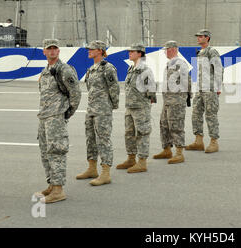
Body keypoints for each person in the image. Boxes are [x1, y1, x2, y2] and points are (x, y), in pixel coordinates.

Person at [35, 39, 81, 203]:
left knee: (56, 151)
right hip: (44, 116)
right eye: (49, 49)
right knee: (45, 152)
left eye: (55, 48)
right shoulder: (46, 70)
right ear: (44, 52)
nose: (52, 51)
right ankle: (52, 184)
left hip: (56, 117)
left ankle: (59, 190)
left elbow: (75, 93)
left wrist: (67, 113)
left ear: (58, 51)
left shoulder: (64, 69)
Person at [76, 40, 120, 186]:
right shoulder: (91, 69)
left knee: (103, 140)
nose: (89, 51)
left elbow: (114, 88)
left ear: (100, 50)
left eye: (92, 49)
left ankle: (106, 172)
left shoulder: (107, 68)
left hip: (102, 110)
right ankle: (92, 168)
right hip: (91, 109)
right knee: (90, 139)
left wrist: (111, 106)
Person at [116, 43, 157, 173]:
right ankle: (131, 158)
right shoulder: (131, 69)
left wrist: (148, 102)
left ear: (140, 53)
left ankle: (142, 161)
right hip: (130, 106)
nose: (130, 53)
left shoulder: (145, 69)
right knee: (129, 133)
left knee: (142, 133)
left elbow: (151, 88)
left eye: (132, 51)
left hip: (140, 107)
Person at [153, 41, 192, 164]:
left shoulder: (180, 63)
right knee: (164, 124)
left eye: (167, 49)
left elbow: (187, 81)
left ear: (173, 49)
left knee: (176, 125)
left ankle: (179, 153)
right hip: (167, 100)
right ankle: (167, 149)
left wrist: (186, 97)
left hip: (176, 100)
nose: (165, 52)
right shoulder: (170, 63)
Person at [186, 29, 223, 154]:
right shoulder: (200, 52)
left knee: (210, 115)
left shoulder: (211, 51)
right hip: (200, 88)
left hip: (210, 89)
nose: (198, 38)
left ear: (207, 38)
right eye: (198, 36)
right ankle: (198, 141)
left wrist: (218, 87)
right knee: (196, 114)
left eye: (201, 36)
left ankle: (214, 142)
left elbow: (218, 69)